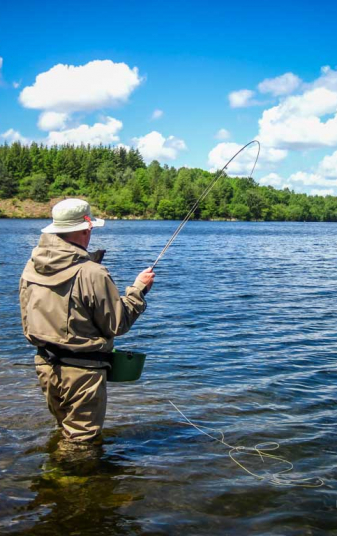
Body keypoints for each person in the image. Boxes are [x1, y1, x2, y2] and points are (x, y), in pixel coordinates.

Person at [19, 198, 155, 444]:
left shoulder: (32, 266)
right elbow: (117, 324)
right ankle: (69, 480)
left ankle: (55, 476)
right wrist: (138, 290)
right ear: (86, 228)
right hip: (83, 372)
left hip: (45, 364)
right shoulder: (93, 273)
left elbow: (27, 315)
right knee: (82, 442)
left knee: (65, 431)